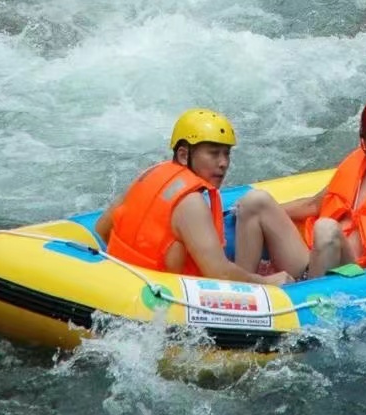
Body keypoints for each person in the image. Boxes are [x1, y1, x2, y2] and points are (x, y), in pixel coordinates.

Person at [241, 96, 366, 282]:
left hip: (362, 274)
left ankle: (309, 295)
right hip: (313, 262)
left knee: (326, 228)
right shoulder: (355, 167)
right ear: (365, 138)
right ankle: (242, 283)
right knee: (255, 200)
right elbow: (312, 205)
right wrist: (241, 212)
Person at [95, 109, 295, 285]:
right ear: (183, 155)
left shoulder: (150, 173)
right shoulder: (190, 203)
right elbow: (220, 274)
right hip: (162, 299)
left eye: (226, 154)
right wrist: (268, 282)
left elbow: (102, 229)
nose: (223, 163)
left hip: (124, 280)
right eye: (214, 153)